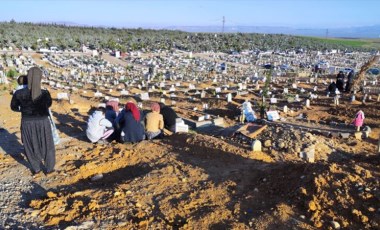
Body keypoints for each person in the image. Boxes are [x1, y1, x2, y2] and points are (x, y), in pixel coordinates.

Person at [10, 67, 55, 175]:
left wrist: (24, 109)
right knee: (47, 144)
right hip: (43, 122)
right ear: (39, 78)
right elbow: (48, 105)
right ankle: (49, 169)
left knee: (29, 145)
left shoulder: (19, 93)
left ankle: (36, 169)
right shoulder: (45, 93)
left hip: (27, 122)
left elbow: (14, 107)